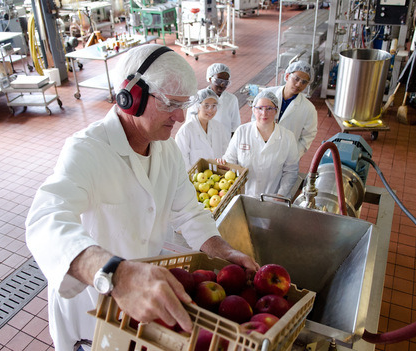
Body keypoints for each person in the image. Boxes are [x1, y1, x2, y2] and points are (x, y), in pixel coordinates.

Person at [25, 44, 259, 351]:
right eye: (169, 103)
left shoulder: (167, 151)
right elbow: (44, 221)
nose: (178, 115)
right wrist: (116, 275)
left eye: (183, 104)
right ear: (130, 96)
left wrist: (222, 251)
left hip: (140, 310)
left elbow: (189, 212)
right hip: (91, 313)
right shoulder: (87, 150)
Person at [217, 90, 299, 198]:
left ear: (276, 111)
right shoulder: (242, 131)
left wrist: (281, 195)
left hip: (272, 199)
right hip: (243, 197)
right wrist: (224, 164)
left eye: (269, 108)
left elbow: (291, 171)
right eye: (260, 108)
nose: (264, 113)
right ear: (253, 110)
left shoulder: (288, 137)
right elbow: (230, 159)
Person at [255, 60, 318, 159]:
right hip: (259, 148)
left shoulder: (309, 109)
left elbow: (308, 136)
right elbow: (254, 119)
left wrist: (294, 154)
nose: (298, 84)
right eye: (296, 79)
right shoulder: (266, 94)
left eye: (304, 82)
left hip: (286, 155)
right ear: (287, 76)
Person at [175, 88, 230, 171]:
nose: (210, 110)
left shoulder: (219, 127)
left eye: (214, 106)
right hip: (194, 180)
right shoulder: (186, 131)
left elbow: (225, 152)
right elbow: (181, 161)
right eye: (206, 106)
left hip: (218, 178)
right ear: (197, 106)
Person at [185, 63, 240, 136]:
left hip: (223, 142)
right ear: (210, 78)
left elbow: (235, 126)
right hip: (201, 141)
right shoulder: (197, 97)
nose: (222, 85)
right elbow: (190, 122)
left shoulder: (231, 100)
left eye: (226, 82)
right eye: (218, 81)